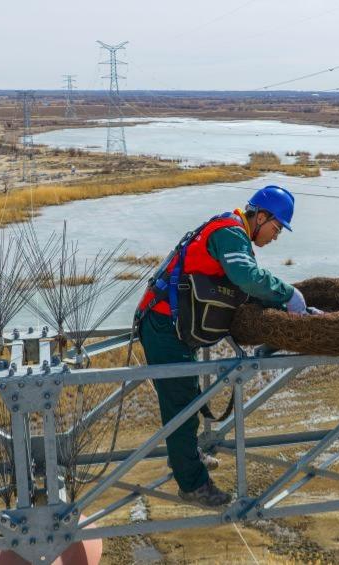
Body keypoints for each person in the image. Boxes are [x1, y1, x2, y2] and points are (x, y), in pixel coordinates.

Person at [134, 185, 307, 507]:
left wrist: (287, 308)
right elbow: (247, 277)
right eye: (277, 227)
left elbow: (241, 287)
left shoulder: (232, 231)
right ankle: (193, 484)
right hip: (163, 327)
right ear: (262, 216)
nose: (276, 235)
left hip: (171, 325)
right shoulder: (230, 232)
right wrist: (288, 294)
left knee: (185, 400)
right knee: (181, 406)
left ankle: (185, 455)